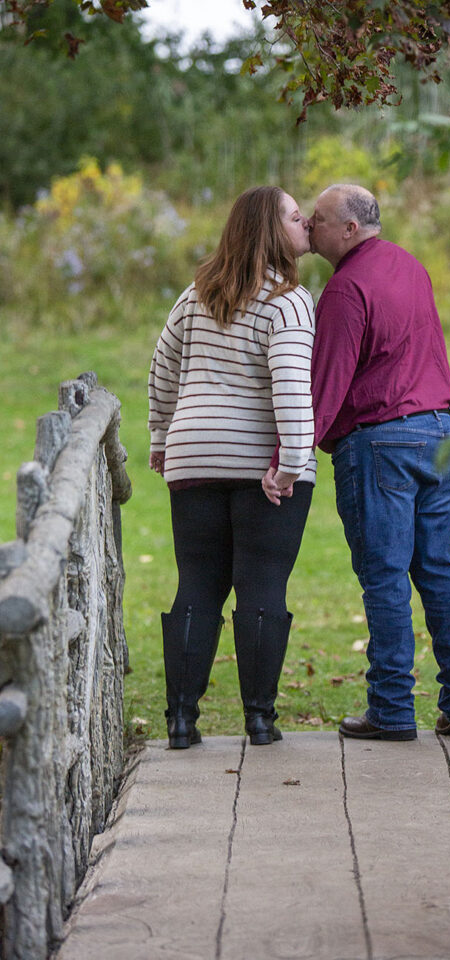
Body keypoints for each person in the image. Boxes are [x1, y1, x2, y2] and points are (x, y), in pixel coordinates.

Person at [264, 184, 450, 741]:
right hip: (440, 433)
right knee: (437, 567)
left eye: (317, 220)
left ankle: (391, 709)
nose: (309, 228)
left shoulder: (344, 290)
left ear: (350, 230)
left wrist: (286, 457)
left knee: (384, 576)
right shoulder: (411, 268)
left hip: (383, 441)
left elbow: (325, 384)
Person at [148, 186, 315, 749]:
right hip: (259, 466)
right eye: (296, 218)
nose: (306, 224)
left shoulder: (195, 295)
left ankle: (180, 720)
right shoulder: (288, 300)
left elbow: (162, 366)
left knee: (196, 583)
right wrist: (293, 461)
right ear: (274, 232)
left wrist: (160, 435)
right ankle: (260, 721)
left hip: (193, 456)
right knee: (262, 586)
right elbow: (291, 385)